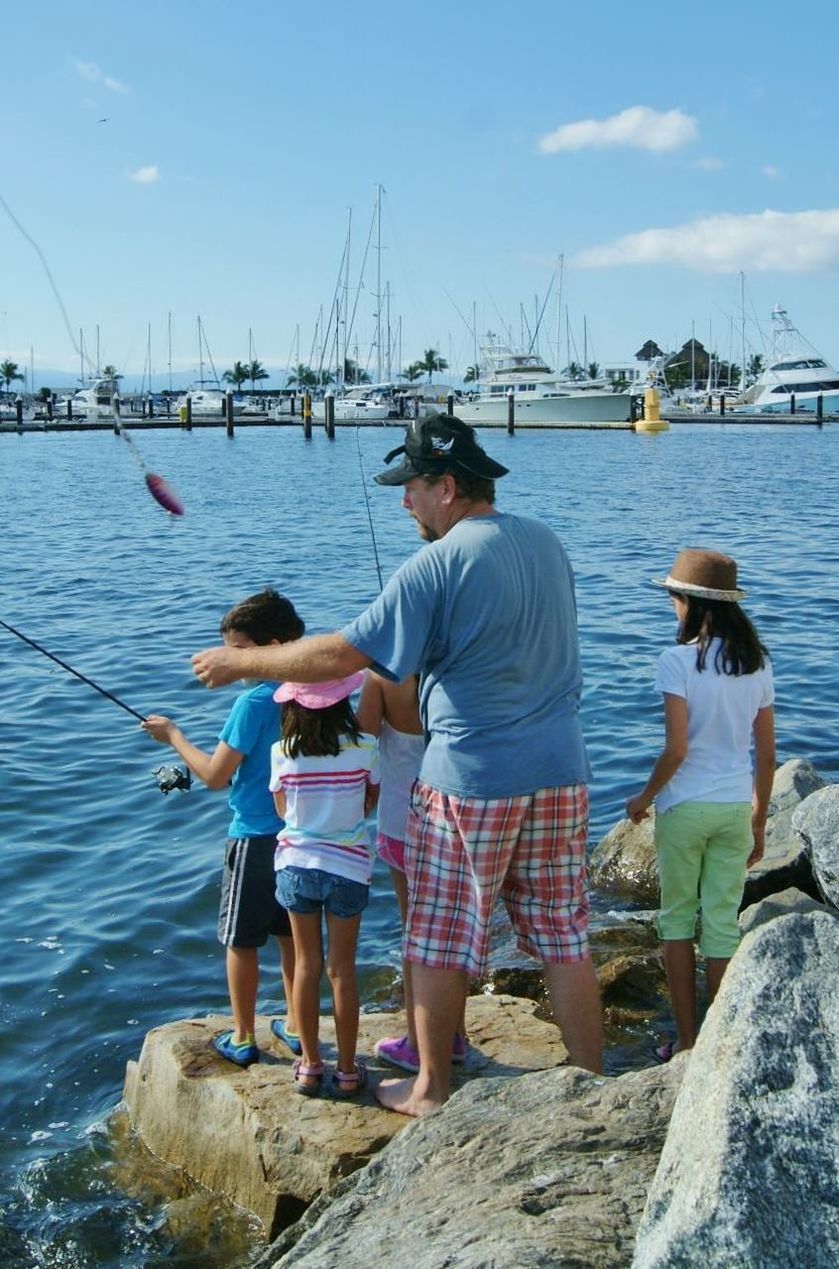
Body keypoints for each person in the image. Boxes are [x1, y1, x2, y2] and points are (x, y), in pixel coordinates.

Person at [191, 414, 604, 1116]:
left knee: (437, 938)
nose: (402, 502)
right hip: (564, 768)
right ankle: (593, 1089)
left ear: (445, 485)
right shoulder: (545, 542)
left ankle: (430, 1089)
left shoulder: (437, 563)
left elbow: (339, 656)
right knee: (563, 934)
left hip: (472, 775)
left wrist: (242, 662)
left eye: (409, 487)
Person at [142, 588, 304, 1068]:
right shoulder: (309, 693)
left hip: (254, 836)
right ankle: (297, 1026)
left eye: (236, 650)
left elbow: (215, 776)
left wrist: (172, 735)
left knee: (240, 941)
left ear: (269, 646)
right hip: (298, 834)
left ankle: (242, 1035)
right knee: (291, 936)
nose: (228, 660)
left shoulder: (252, 703)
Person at [625, 549, 775, 1061]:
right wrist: (759, 820)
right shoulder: (757, 664)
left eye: (673, 596)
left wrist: (643, 798)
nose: (671, 603)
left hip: (685, 808)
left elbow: (677, 749)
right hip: (735, 808)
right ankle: (720, 1043)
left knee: (675, 923)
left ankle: (688, 1041)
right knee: (721, 924)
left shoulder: (677, 661)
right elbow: (767, 754)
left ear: (689, 602)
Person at [270, 673, 380, 1096]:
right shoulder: (365, 748)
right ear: (341, 704)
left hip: (296, 865)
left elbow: (283, 812)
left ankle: (311, 1065)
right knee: (341, 969)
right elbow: (369, 803)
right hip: (349, 867)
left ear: (293, 709)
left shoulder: (282, 752)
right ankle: (349, 1070)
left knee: (305, 965)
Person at [356, 671, 468, 1073]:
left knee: (415, 932)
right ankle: (456, 1034)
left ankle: (418, 1041)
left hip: (402, 821)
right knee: (453, 929)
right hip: (457, 817)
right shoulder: (454, 666)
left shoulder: (381, 678)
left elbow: (361, 739)